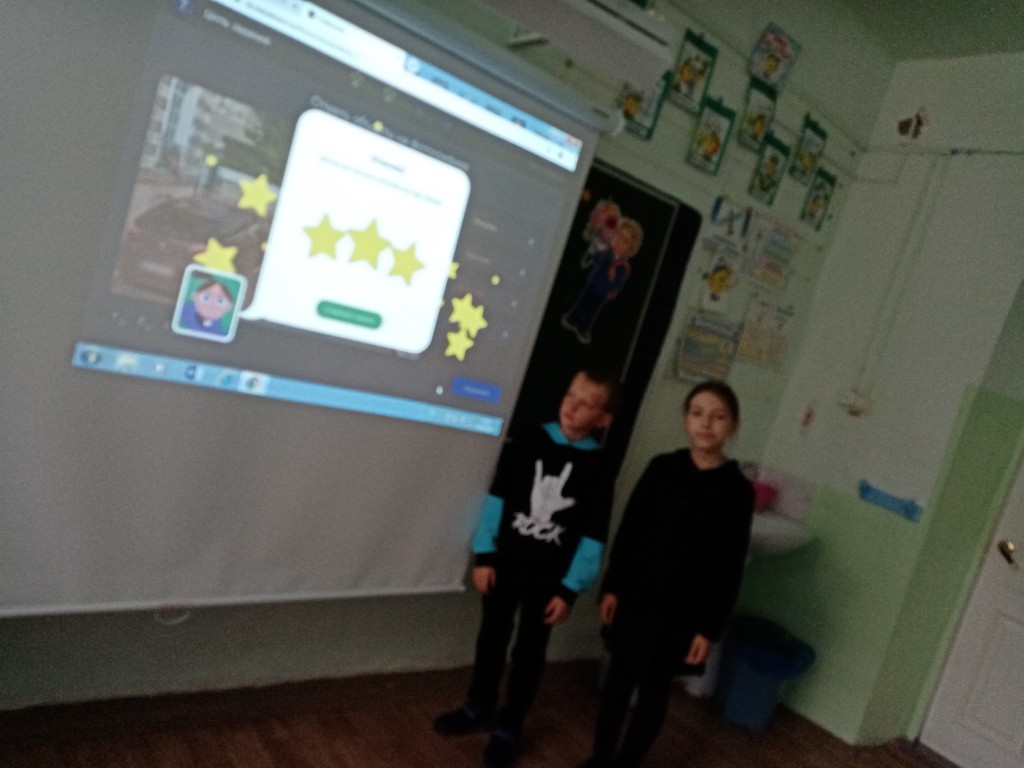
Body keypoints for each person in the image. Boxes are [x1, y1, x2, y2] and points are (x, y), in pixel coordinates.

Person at [434, 368, 623, 768]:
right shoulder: (530, 440)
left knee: (530, 652)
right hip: (505, 564)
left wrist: (570, 588)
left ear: (603, 419)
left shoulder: (601, 466)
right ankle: (478, 706)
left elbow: (594, 531)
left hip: (549, 579)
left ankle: (510, 724)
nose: (572, 406)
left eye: (586, 403)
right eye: (570, 395)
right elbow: (498, 497)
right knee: (492, 638)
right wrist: (485, 554)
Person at [578, 379, 754, 768]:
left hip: (684, 612)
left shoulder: (737, 490)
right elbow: (630, 532)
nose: (706, 423)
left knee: (655, 692)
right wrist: (612, 587)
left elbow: (729, 565)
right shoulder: (662, 468)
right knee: (617, 684)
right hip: (637, 597)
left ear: (733, 425)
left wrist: (708, 629)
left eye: (718, 416)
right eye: (697, 413)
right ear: (685, 419)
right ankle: (600, 759)